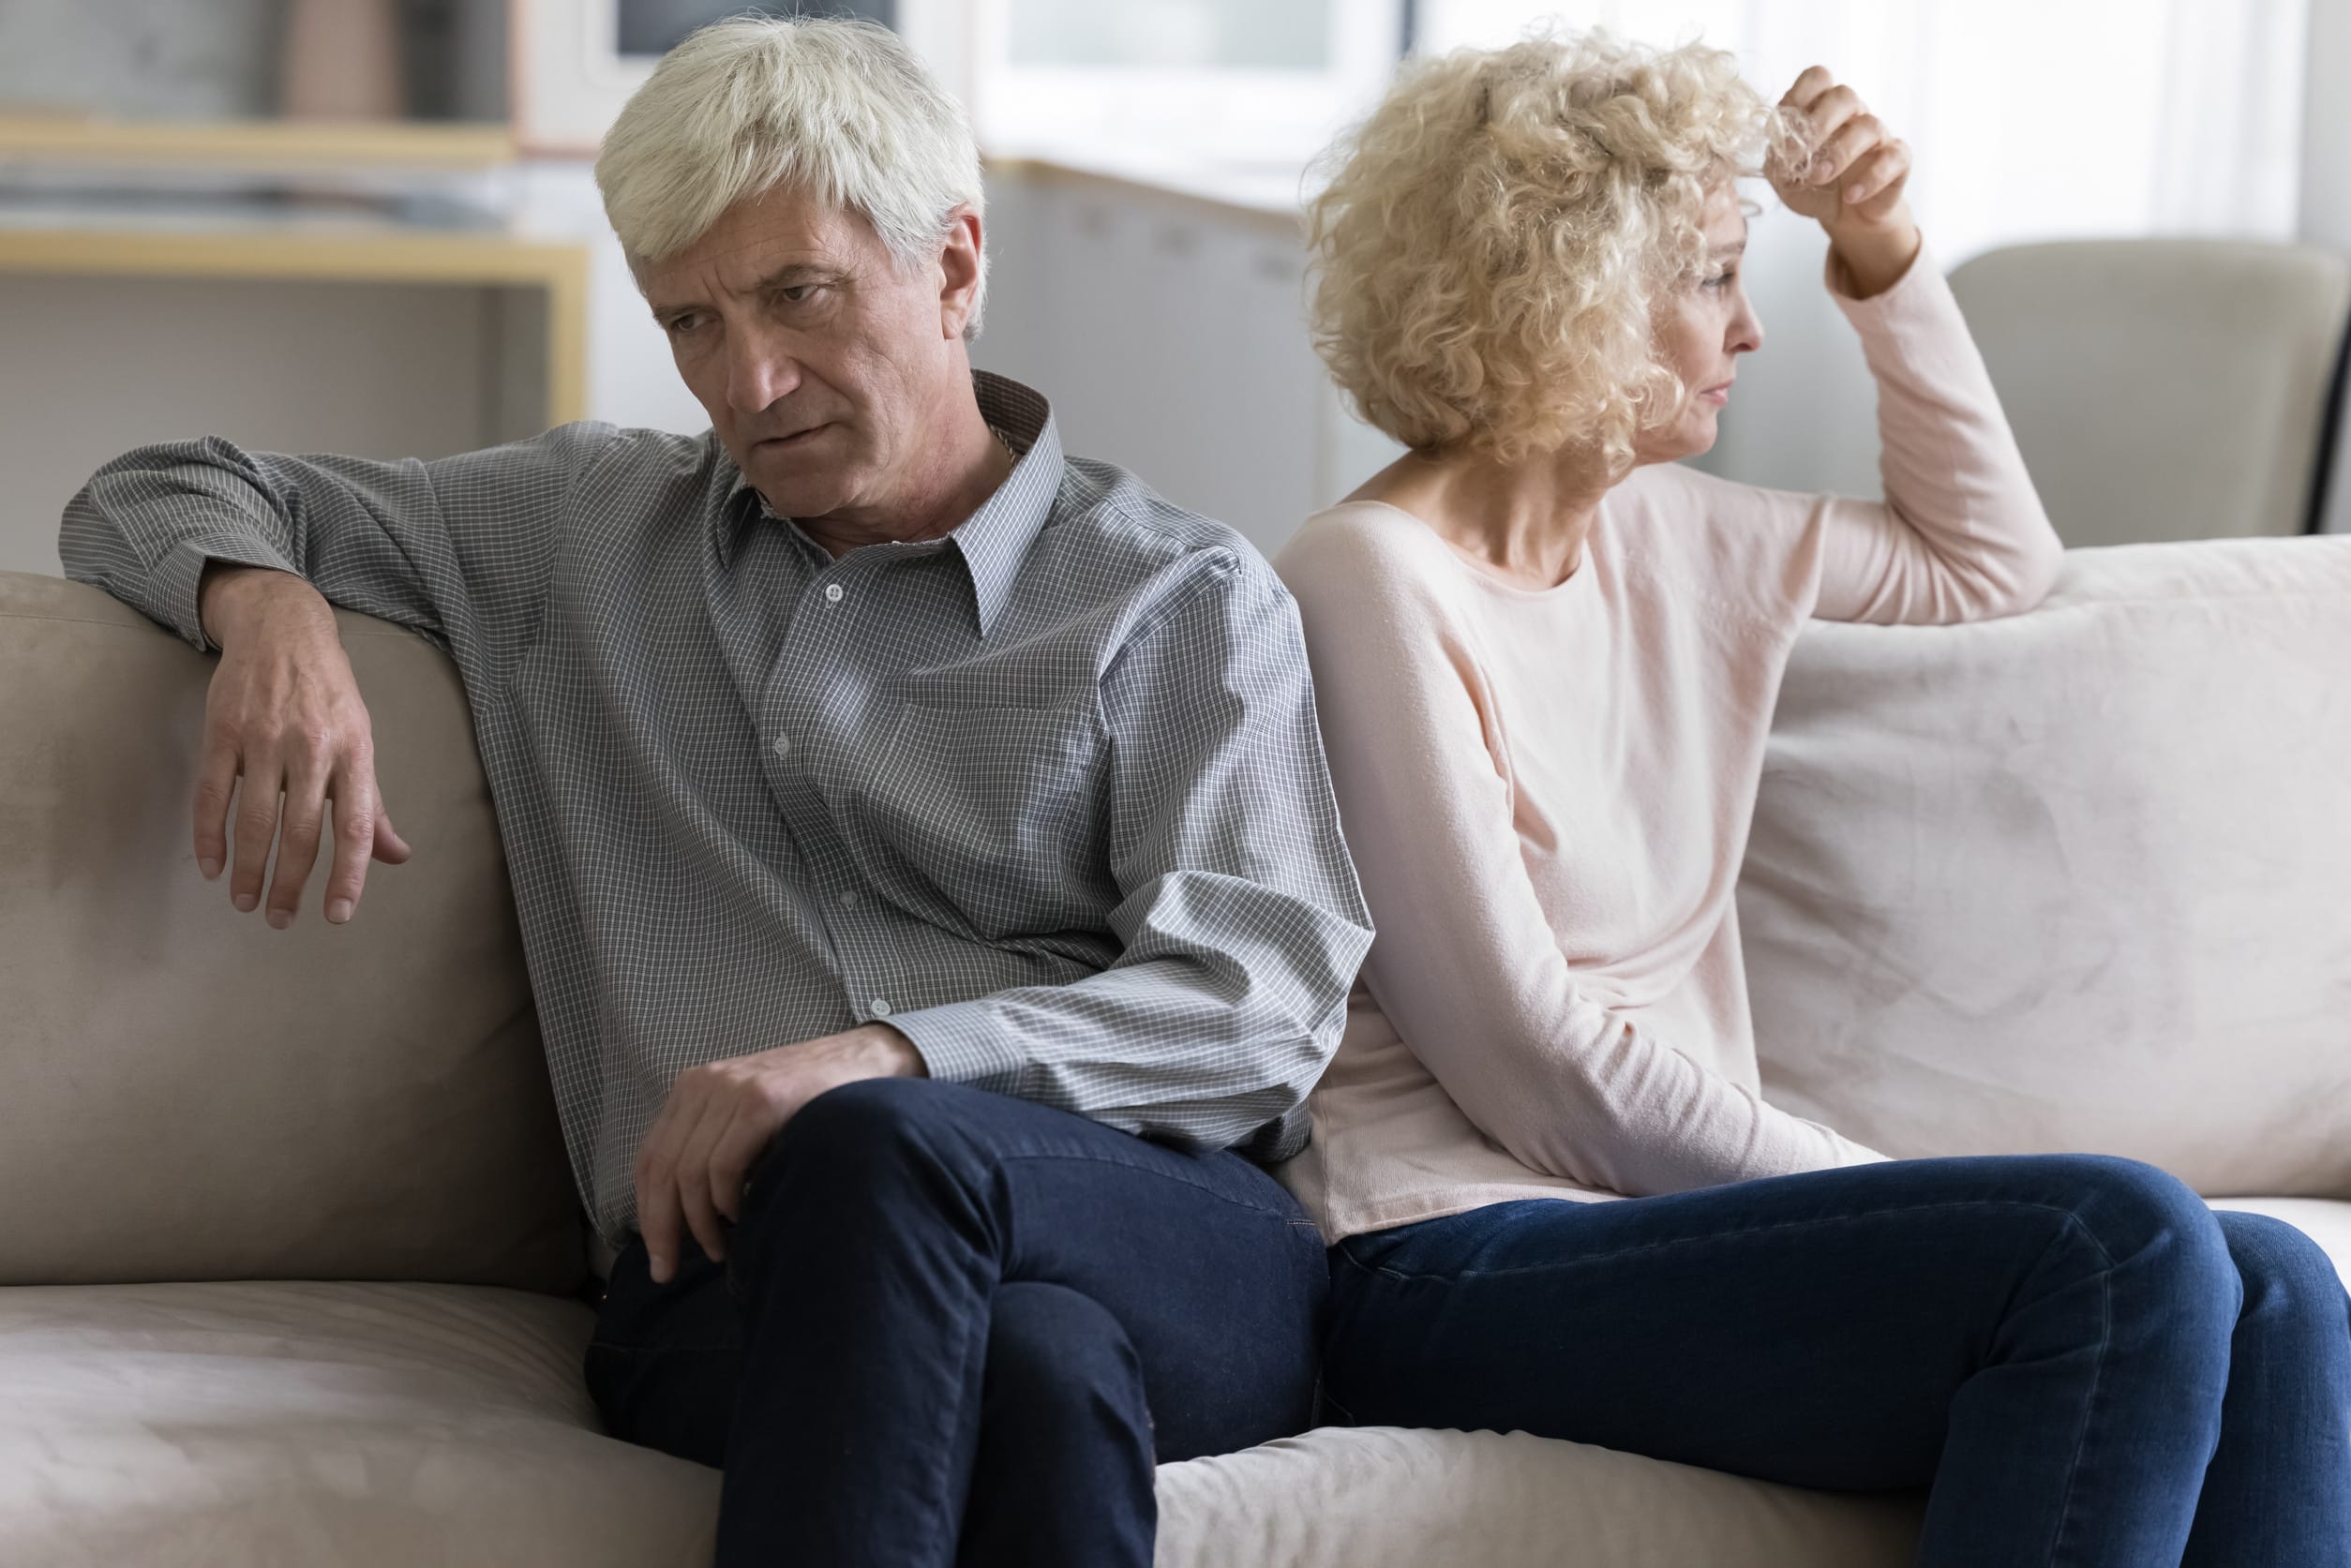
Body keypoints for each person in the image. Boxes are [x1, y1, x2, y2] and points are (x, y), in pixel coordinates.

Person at [59, 18, 1372, 1567]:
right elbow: (155, 483)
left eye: (797, 296)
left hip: (1154, 1228)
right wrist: (268, 610)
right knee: (1038, 1370)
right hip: (727, 1283)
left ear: (954, 267)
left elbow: (1263, 996)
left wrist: (882, 1060)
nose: (745, 380)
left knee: (883, 1139)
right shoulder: (582, 534)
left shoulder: (1173, 597)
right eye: (689, 322)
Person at [1274, 31, 2350, 1566]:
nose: (1748, 329)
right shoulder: (1369, 580)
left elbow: (1995, 568)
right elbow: (1535, 1065)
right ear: (1568, 295)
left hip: (1673, 1234)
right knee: (2115, 1243)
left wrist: (1884, 254)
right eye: (1713, 276)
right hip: (1453, 1256)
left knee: (2282, 1286)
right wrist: (1900, 1192)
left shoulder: (1677, 536)